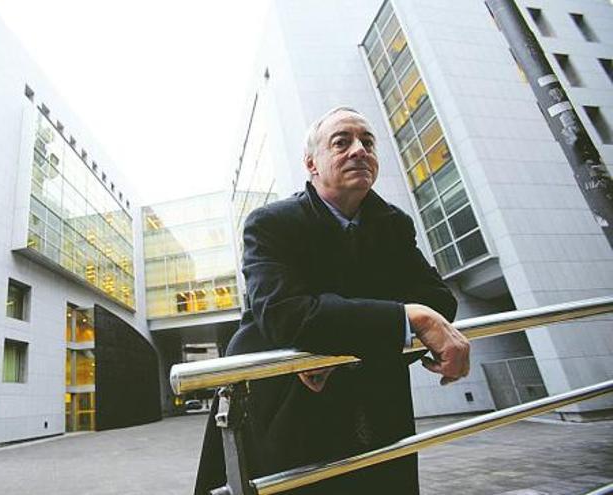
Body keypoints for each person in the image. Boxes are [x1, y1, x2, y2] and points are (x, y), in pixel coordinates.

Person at [194, 107, 470, 494]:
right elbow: (288, 316)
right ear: (312, 164)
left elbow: (438, 301)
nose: (359, 150)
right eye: (342, 142)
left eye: (367, 142)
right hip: (288, 406)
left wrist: (338, 350)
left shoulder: (393, 224)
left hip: (377, 406)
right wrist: (408, 318)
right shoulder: (271, 223)